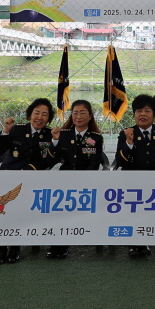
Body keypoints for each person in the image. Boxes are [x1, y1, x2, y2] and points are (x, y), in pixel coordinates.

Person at [0, 98, 56, 265]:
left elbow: (48, 160)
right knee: (3, 211)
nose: (39, 117)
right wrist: (6, 130)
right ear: (30, 114)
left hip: (31, 180)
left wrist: (28, 170)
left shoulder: (50, 135)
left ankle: (15, 247)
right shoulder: (17, 130)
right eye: (36, 113)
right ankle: (1, 248)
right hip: (7, 177)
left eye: (44, 114)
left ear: (49, 118)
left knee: (19, 211)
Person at [115, 94, 155, 256]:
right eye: (139, 111)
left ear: (154, 114)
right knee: (135, 207)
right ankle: (136, 243)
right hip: (132, 182)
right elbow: (120, 161)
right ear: (134, 114)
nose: (143, 114)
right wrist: (129, 143)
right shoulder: (126, 133)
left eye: (147, 111)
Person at [49, 99, 105, 259]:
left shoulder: (96, 137)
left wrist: (83, 181)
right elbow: (50, 159)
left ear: (90, 116)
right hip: (64, 180)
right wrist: (54, 141)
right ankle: (58, 244)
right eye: (75, 113)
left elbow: (94, 164)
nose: (78, 116)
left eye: (82, 113)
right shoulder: (63, 134)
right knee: (58, 209)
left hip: (86, 180)